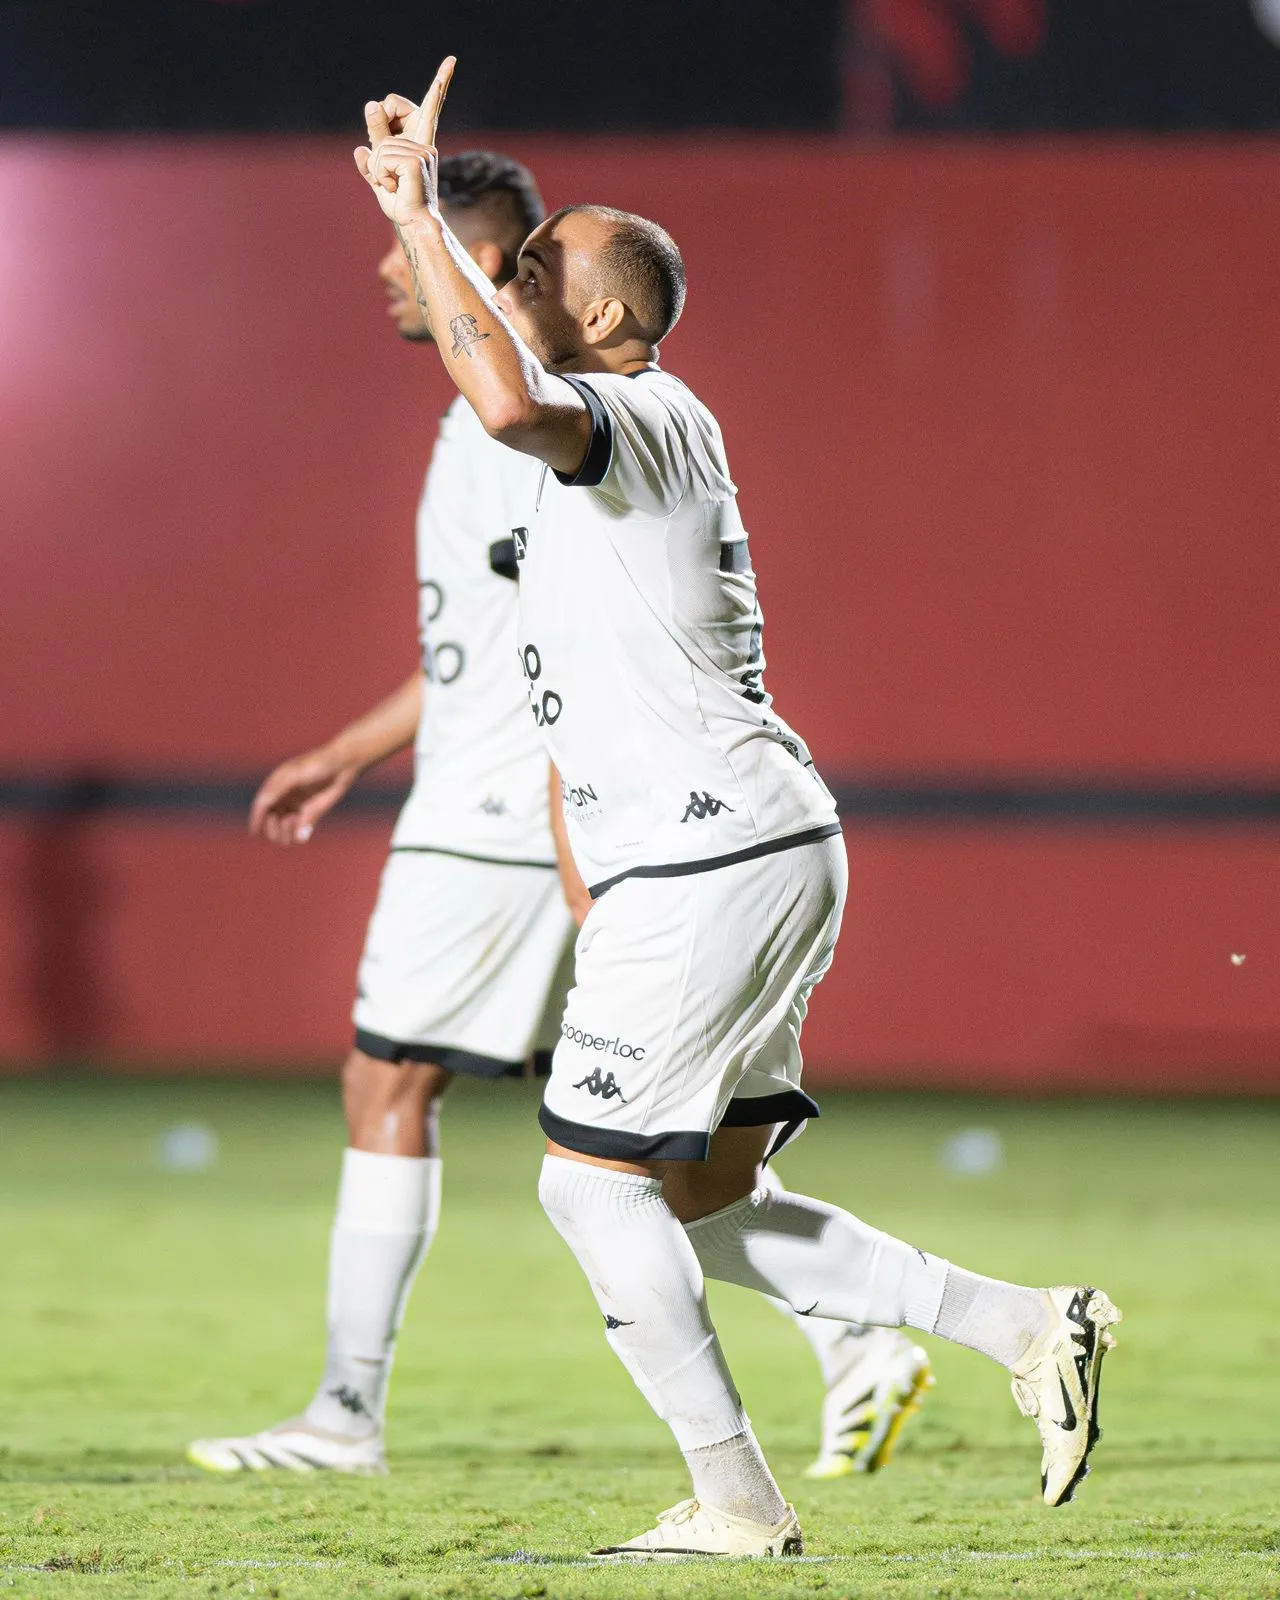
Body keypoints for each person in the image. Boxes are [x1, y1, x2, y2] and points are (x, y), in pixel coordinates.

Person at [353, 59, 1122, 1559]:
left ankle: (735, 1502)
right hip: (734, 846)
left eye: (536, 269)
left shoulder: (634, 411)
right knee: (706, 1196)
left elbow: (501, 397)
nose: (510, 281)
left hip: (712, 853)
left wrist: (415, 215)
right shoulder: (607, 442)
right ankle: (1033, 1327)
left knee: (591, 1192)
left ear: (609, 318)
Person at [187, 146, 897, 1481]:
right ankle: (864, 1333)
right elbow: (500, 637)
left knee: (415, 1090)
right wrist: (350, 749)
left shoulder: (530, 413)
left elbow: (564, 626)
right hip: (586, 811)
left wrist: (574, 832)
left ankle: (347, 1414)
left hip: (520, 811)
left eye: (422, 250)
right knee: (671, 1159)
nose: (389, 266)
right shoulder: (514, 410)